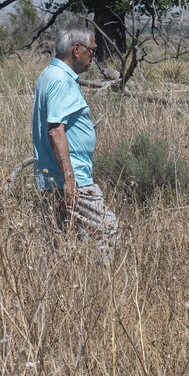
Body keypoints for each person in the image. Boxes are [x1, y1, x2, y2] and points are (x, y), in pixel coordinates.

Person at [30, 25, 118, 262]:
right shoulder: (61, 80)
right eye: (92, 50)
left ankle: (62, 292)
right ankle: (103, 288)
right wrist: (70, 179)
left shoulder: (49, 75)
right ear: (76, 49)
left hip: (52, 177)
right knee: (107, 229)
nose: (93, 56)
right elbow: (56, 129)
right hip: (72, 179)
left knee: (57, 242)